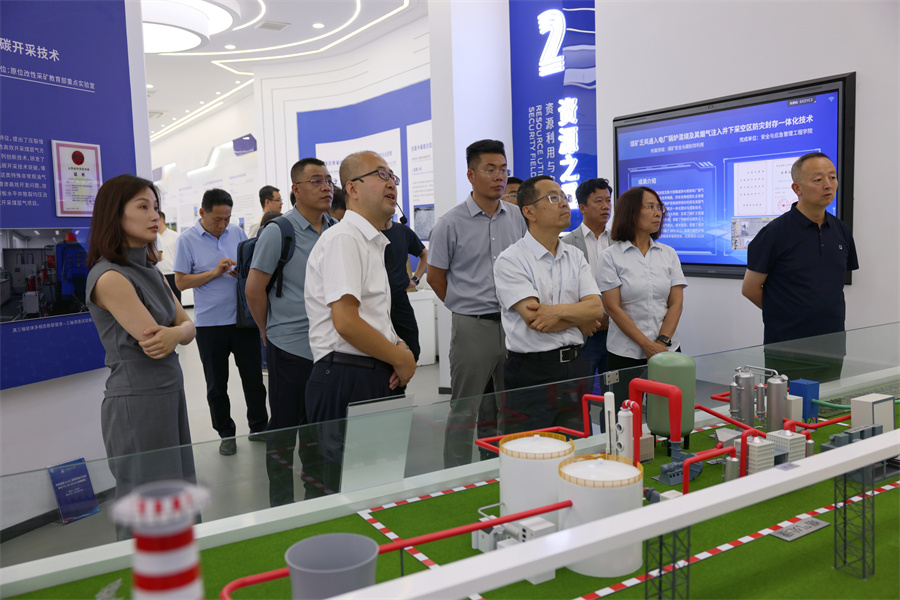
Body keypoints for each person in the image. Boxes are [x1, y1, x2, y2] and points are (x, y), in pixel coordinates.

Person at [304, 150, 417, 492]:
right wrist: (401, 358)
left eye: (392, 176)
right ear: (352, 189)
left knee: (377, 485)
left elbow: (372, 314)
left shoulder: (370, 242)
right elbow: (346, 323)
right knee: (344, 491)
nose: (391, 183)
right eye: (381, 175)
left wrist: (398, 345)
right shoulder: (344, 239)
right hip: (347, 376)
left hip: (371, 373)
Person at [85, 174, 196, 514]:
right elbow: (155, 340)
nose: (155, 216)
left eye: (156, 207)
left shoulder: (152, 271)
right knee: (148, 507)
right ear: (115, 214)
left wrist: (177, 333)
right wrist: (178, 332)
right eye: (143, 207)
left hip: (169, 391)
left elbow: (187, 328)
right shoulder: (110, 277)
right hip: (138, 401)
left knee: (177, 496)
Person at [427, 139, 527, 467]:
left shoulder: (517, 217)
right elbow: (435, 277)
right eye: (490, 169)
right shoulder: (450, 223)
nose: (499, 176)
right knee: (464, 408)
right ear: (471, 175)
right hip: (473, 326)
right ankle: (454, 474)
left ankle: (506, 467)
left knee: (510, 405)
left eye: (503, 169)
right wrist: (464, 306)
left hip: (514, 323)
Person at [245, 158, 336, 505]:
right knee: (284, 431)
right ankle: (281, 504)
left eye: (328, 180)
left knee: (318, 429)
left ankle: (317, 499)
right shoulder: (278, 231)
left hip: (329, 347)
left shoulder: (335, 229)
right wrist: (267, 330)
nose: (326, 187)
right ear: (296, 189)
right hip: (290, 346)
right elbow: (254, 289)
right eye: (317, 181)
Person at [494, 176, 603, 434]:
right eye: (553, 198)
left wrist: (557, 312)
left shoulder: (575, 255)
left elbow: (596, 309)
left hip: (576, 366)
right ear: (529, 212)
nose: (564, 203)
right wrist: (579, 318)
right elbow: (536, 320)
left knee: (576, 446)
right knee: (531, 448)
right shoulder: (511, 260)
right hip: (533, 370)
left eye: (564, 197)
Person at [742, 152, 858, 381]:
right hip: (788, 348)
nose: (828, 185)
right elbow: (750, 289)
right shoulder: (774, 233)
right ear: (797, 188)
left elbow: (832, 285)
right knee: (788, 404)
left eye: (832, 177)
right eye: (818, 179)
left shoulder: (841, 230)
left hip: (832, 345)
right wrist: (785, 314)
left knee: (828, 402)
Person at [174, 188, 268, 456]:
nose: (223, 225)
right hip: (209, 325)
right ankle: (225, 433)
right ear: (202, 212)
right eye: (217, 219)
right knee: (217, 384)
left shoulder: (237, 233)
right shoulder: (187, 240)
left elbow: (250, 269)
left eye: (227, 219)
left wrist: (240, 272)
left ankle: (260, 427)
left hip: (242, 320)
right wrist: (214, 272)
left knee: (253, 378)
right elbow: (181, 282)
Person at [596, 187, 687, 409]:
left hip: (667, 349)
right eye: (650, 207)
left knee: (666, 414)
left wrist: (660, 343)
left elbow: (676, 303)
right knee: (623, 415)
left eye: (659, 207)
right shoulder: (610, 256)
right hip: (625, 353)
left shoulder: (668, 254)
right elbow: (613, 308)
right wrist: (647, 346)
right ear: (631, 212)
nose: (658, 213)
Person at [561, 178, 613, 390]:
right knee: (581, 392)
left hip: (617, 330)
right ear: (582, 207)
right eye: (599, 201)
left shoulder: (620, 241)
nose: (605, 206)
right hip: (584, 332)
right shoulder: (566, 244)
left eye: (608, 200)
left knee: (616, 393)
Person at [382, 215, 427, 362]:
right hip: (376, 301)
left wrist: (416, 279)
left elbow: (424, 254)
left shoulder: (403, 231)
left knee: (413, 348)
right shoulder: (369, 233)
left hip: (400, 300)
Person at [155, 209, 181, 302]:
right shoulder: (151, 237)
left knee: (176, 302)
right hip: (158, 274)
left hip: (172, 274)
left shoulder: (176, 236)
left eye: (155, 220)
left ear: (161, 221)